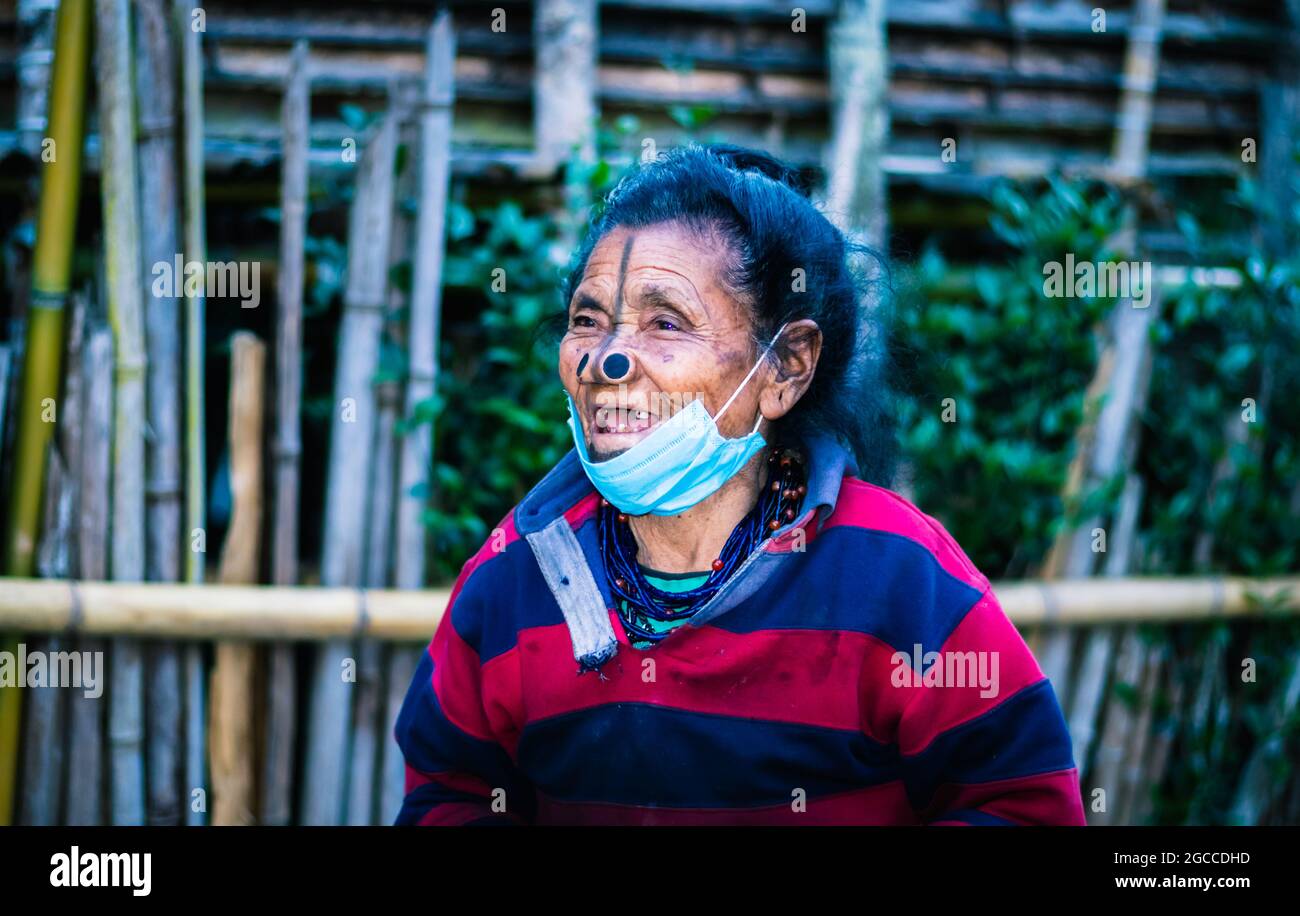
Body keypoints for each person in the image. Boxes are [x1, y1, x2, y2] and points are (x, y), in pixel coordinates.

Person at [394, 143, 1086, 825]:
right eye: (587, 321)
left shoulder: (898, 574)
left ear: (786, 367)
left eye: (666, 322)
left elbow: (1023, 804)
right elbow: (447, 794)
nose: (605, 361)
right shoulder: (516, 571)